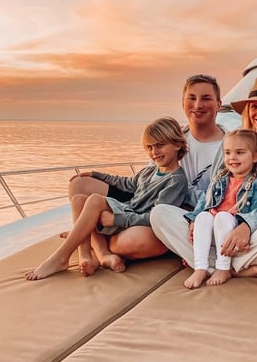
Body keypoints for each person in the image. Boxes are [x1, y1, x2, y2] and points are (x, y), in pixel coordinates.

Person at [66, 74, 224, 266]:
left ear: (219, 104)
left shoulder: (229, 148)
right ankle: (95, 243)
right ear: (183, 103)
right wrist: (97, 175)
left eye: (206, 98)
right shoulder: (174, 136)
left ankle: (87, 231)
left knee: (128, 243)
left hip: (175, 214)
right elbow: (144, 181)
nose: (198, 105)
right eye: (192, 98)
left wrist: (119, 218)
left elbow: (218, 197)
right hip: (145, 204)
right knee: (79, 184)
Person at [151, 77, 257, 278]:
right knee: (160, 214)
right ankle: (229, 268)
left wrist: (247, 225)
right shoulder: (232, 139)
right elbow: (214, 187)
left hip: (252, 230)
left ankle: (210, 264)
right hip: (217, 222)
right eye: (254, 106)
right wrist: (197, 216)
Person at [26, 118, 188, 280]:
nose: (154, 152)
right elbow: (126, 184)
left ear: (177, 144)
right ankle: (85, 254)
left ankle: (62, 256)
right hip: (128, 211)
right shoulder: (149, 171)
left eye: (160, 145)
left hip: (136, 221)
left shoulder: (176, 181)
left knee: (95, 200)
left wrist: (117, 218)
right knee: (79, 200)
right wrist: (96, 175)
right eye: (149, 147)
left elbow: (157, 216)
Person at [184, 129, 257, 289]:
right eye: (228, 153)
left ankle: (223, 267)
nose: (232, 158)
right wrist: (194, 219)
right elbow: (204, 201)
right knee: (203, 217)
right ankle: (200, 267)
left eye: (240, 152)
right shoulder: (219, 179)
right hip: (212, 225)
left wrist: (248, 229)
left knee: (222, 216)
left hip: (233, 230)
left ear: (255, 156)